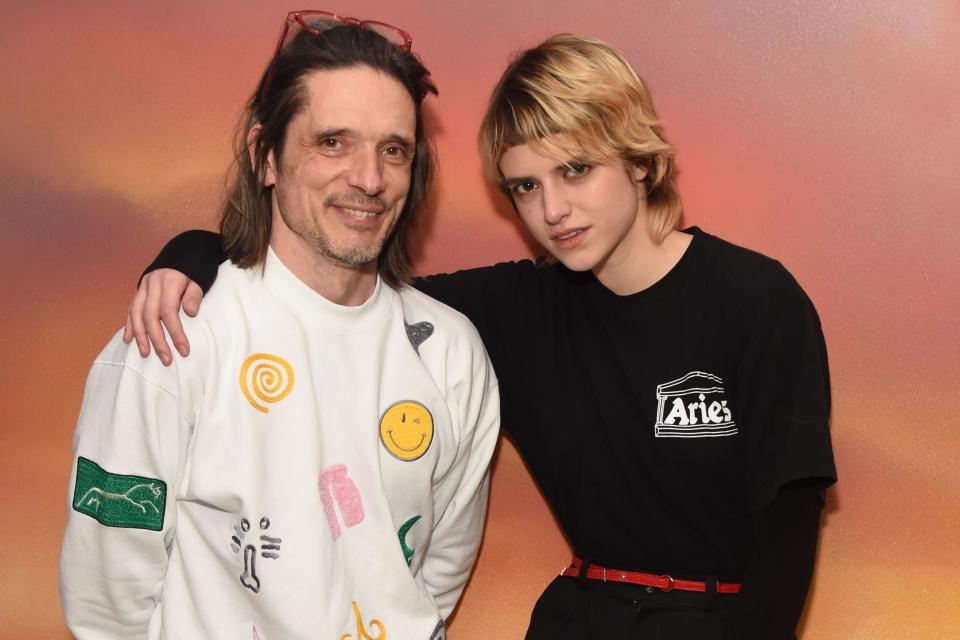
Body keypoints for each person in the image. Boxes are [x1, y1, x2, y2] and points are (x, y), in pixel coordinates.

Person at [126, 34, 836, 639]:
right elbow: (335, 279)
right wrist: (198, 250)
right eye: (524, 187)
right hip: (578, 618)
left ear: (641, 160)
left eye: (576, 171)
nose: (552, 210)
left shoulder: (756, 300)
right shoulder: (515, 310)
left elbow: (788, 535)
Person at [59, 12, 500, 640]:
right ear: (266, 157)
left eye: (393, 150)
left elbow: (439, 569)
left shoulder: (451, 350)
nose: (369, 179)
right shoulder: (175, 338)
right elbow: (108, 596)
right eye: (332, 143)